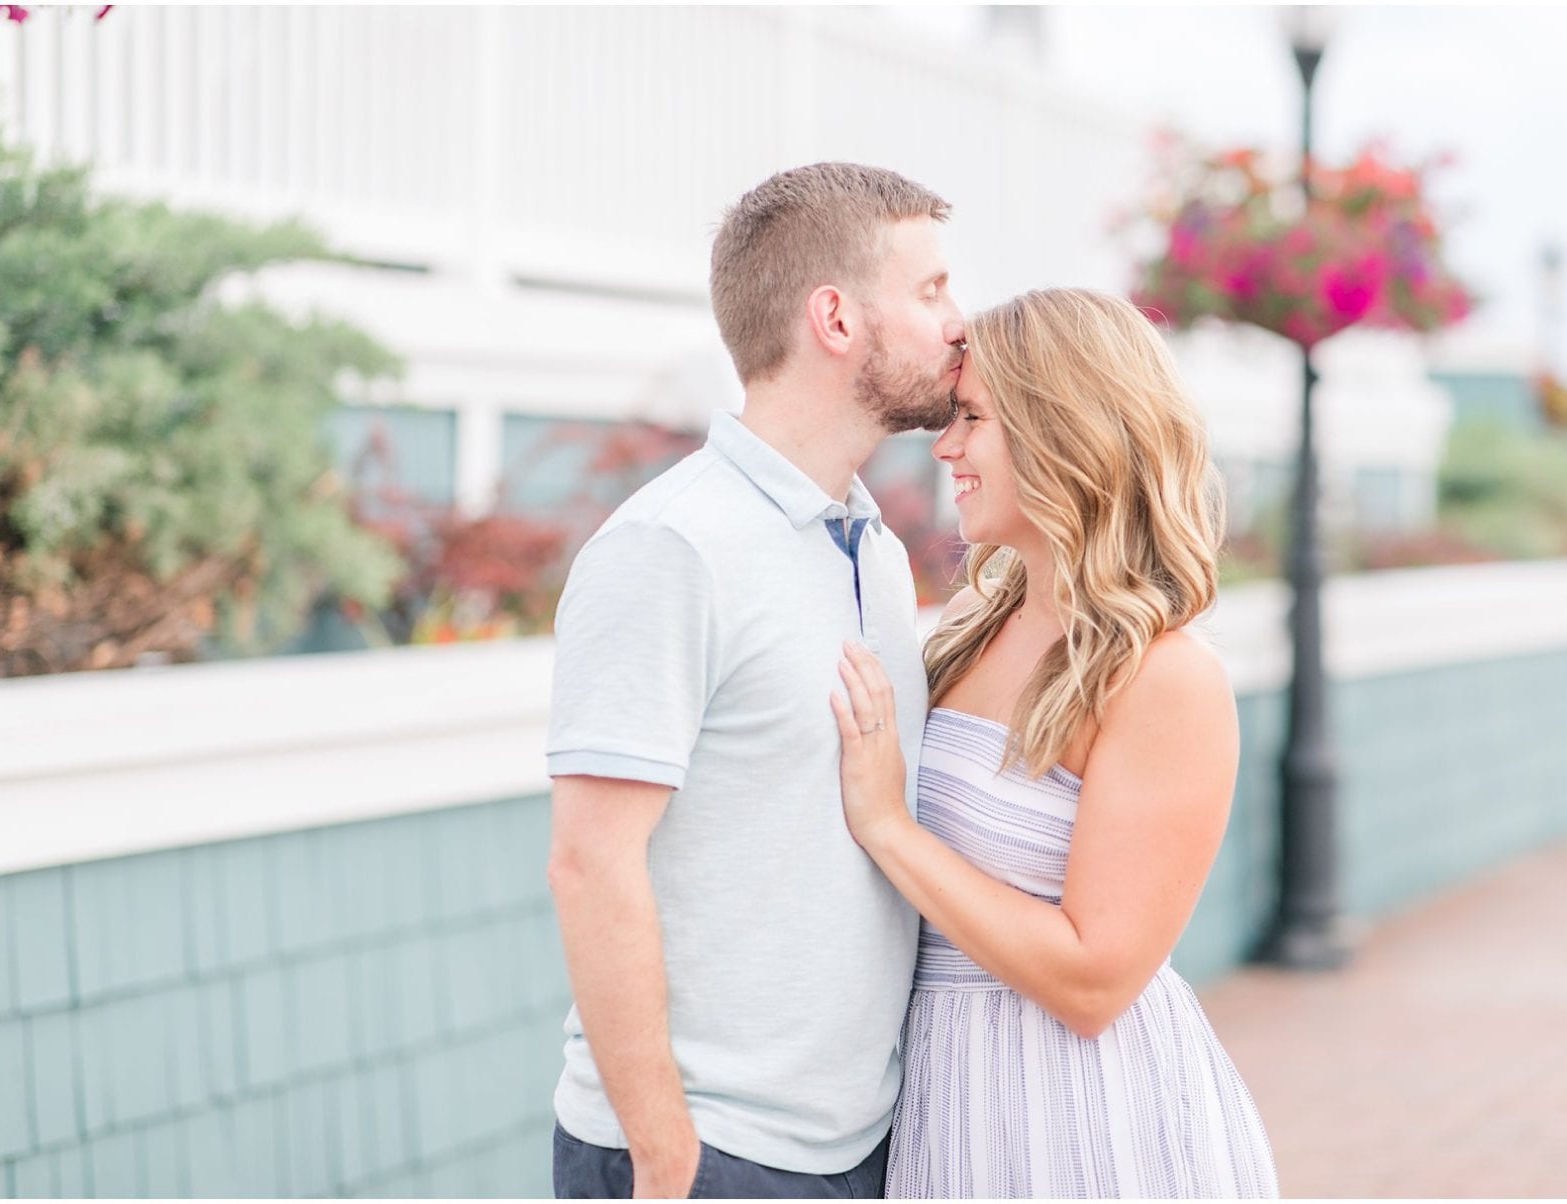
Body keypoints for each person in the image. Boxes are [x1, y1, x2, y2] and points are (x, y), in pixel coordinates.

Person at [545, 163, 965, 1199]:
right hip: (711, 1156)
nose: (961, 324)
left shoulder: (872, 545)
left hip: (858, 1145)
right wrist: (664, 1154)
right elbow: (591, 863)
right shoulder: (670, 546)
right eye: (930, 292)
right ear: (835, 317)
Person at [829, 288, 1280, 1199]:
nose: (944, 445)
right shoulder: (968, 631)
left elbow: (1093, 981)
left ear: (1062, 432)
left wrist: (888, 826)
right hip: (948, 1112)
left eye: (972, 418)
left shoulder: (1163, 676)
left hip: (1093, 1128)